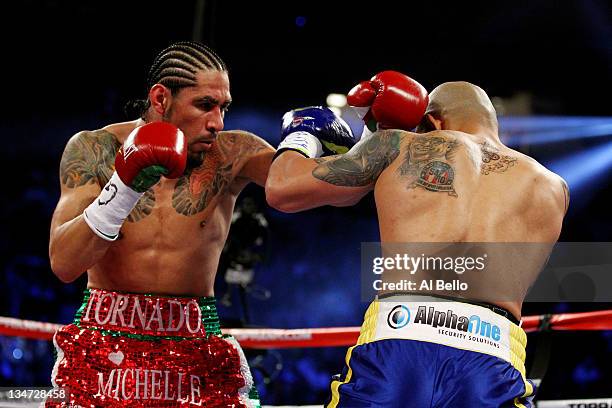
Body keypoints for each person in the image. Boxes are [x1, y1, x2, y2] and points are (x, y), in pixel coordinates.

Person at [265, 76, 568, 407]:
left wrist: (303, 134)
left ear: (432, 120)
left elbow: (282, 189)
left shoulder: (400, 144)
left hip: (399, 342)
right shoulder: (553, 187)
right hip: (493, 352)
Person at [48, 41, 274, 407]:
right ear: (160, 98)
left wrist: (316, 142)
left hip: (195, 342)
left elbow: (302, 186)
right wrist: (123, 186)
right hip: (107, 341)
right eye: (204, 105)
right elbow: (64, 262)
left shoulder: (234, 153)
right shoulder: (95, 149)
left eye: (223, 107)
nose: (217, 122)